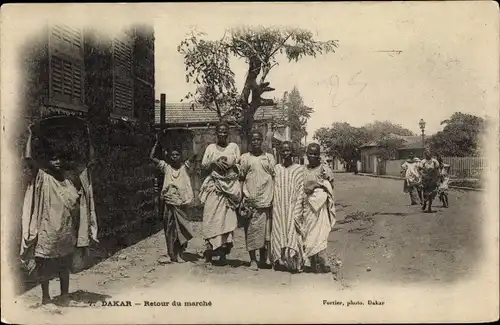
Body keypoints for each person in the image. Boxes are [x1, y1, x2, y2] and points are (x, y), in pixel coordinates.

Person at [20, 125, 98, 307]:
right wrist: (31, 135)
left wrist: (87, 136)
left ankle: (64, 295)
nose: (57, 163)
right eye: (53, 159)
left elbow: (91, 163)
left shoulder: (71, 179)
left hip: (66, 229)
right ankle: (45, 296)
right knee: (44, 265)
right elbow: (28, 159)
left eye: (59, 159)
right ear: (48, 162)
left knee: (64, 265)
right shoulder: (42, 177)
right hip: (46, 229)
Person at [199, 121, 242, 264]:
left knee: (226, 221)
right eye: (220, 131)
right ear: (216, 133)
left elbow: (239, 166)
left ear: (228, 133)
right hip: (214, 188)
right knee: (211, 218)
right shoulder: (210, 148)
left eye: (225, 131)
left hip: (229, 188)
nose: (222, 134)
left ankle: (223, 253)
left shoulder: (233, 147)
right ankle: (209, 251)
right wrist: (214, 163)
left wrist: (229, 165)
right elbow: (203, 167)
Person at [150, 135, 196, 264]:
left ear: (181, 156)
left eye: (177, 155)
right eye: (173, 155)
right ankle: (172, 254)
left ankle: (180, 253)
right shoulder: (166, 167)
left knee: (182, 228)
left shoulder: (184, 167)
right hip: (169, 203)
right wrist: (156, 143)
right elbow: (152, 158)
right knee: (170, 229)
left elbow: (194, 155)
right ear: (169, 156)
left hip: (181, 203)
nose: (175, 157)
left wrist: (191, 141)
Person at [239, 131, 276, 270]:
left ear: (262, 141)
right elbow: (241, 178)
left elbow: (274, 176)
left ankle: (263, 259)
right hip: (251, 200)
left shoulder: (269, 158)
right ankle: (253, 260)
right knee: (252, 231)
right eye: (253, 140)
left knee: (266, 232)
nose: (256, 142)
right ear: (250, 142)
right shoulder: (245, 158)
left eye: (258, 139)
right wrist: (241, 198)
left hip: (266, 200)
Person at [271, 141, 306, 273]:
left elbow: (302, 189)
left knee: (293, 231)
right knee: (279, 231)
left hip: (293, 206)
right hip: (279, 206)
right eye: (283, 150)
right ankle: (281, 261)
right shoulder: (276, 169)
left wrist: (298, 207)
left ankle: (295, 262)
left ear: (293, 152)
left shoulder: (299, 169)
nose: (286, 153)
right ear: (280, 152)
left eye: (288, 150)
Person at [302, 143, 336, 273]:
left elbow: (331, 185)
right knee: (309, 234)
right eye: (310, 153)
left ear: (319, 155)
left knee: (320, 234)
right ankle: (312, 262)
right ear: (306, 154)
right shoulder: (303, 170)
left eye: (315, 154)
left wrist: (317, 186)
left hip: (320, 207)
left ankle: (320, 261)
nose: (313, 156)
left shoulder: (324, 169)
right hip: (307, 207)